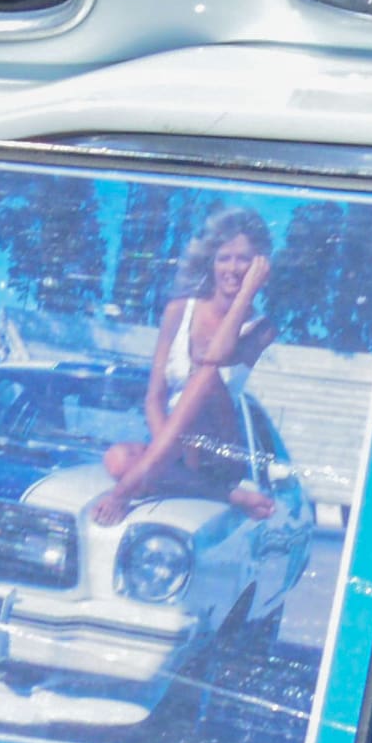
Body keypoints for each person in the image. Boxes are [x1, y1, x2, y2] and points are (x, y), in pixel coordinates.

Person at [93, 207, 281, 528]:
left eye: (244, 259)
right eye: (224, 258)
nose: (233, 268)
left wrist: (247, 293)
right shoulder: (179, 311)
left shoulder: (263, 328)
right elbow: (154, 396)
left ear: (259, 266)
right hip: (173, 445)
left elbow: (215, 357)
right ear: (211, 261)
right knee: (117, 458)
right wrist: (165, 449)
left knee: (206, 376)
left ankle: (123, 492)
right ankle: (229, 495)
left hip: (217, 450)